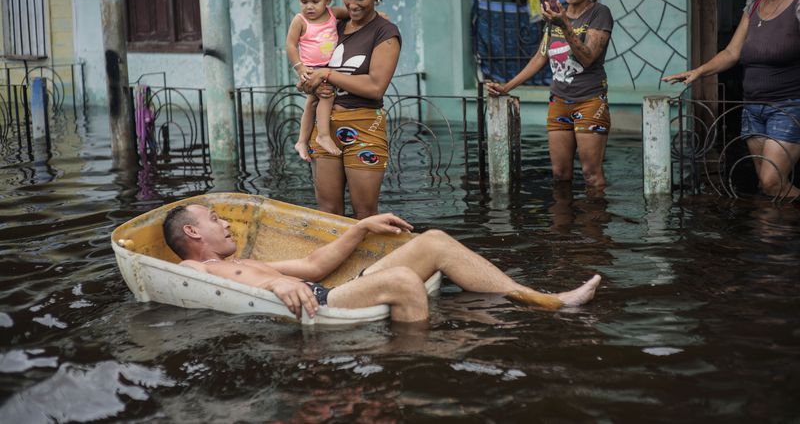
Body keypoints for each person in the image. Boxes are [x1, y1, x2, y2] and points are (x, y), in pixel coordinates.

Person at [162, 203, 602, 322]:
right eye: (216, 220)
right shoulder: (194, 270)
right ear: (194, 234)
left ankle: (543, 299)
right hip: (325, 305)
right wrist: (275, 286)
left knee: (435, 242)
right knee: (405, 280)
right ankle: (416, 361)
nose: (228, 225)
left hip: (327, 289)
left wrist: (362, 227)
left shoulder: (252, 260)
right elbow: (191, 283)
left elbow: (316, 265)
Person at [663, 0, 800, 199]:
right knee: (766, 186)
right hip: (753, 109)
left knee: (772, 182)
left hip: (788, 107)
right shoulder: (754, 6)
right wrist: (698, 72)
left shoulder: (797, 5)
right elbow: (731, 52)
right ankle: (772, 237)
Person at [486, 0, 614, 192]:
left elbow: (588, 57)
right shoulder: (556, 15)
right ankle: (564, 228)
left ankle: (594, 226)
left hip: (589, 101)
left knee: (591, 175)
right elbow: (540, 57)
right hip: (559, 102)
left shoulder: (599, 14)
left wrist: (563, 23)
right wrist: (507, 87)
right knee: (560, 174)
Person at [301, 0, 401, 219]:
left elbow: (375, 87)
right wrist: (310, 82)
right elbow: (311, 58)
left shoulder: (385, 33)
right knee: (328, 212)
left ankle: (372, 263)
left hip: (365, 126)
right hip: (325, 126)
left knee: (365, 214)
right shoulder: (335, 25)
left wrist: (328, 74)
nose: (353, 4)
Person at [286, 0, 344, 161]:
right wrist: (300, 68)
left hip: (329, 68)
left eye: (315, 1)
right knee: (326, 96)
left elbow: (353, 14)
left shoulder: (332, 14)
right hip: (310, 69)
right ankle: (323, 135)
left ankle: (301, 141)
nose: (309, 7)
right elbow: (291, 45)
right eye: (304, 2)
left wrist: (377, 16)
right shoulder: (299, 20)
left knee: (311, 104)